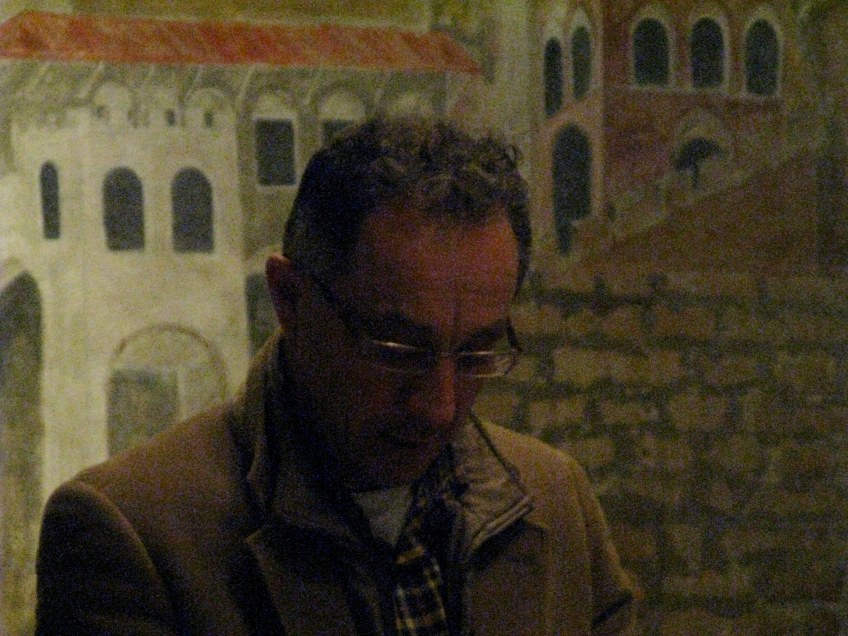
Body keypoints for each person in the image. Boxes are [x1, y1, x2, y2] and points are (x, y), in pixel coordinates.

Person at [35, 115, 634, 635]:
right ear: (289, 299)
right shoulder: (132, 534)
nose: (440, 405)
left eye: (477, 352)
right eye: (398, 348)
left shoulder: (557, 501)